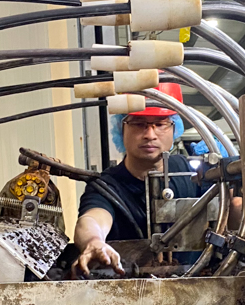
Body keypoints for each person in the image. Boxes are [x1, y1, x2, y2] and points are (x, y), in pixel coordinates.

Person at [72, 96, 199, 277]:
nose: (150, 135)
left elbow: (230, 206)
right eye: (139, 124)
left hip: (196, 282)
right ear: (121, 128)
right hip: (129, 288)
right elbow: (93, 218)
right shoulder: (106, 186)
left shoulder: (190, 172)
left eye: (160, 124)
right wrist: (93, 241)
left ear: (174, 128)